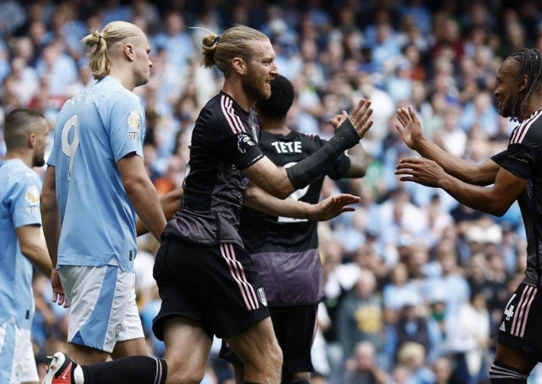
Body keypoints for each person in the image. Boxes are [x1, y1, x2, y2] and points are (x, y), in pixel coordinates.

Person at [44, 24, 373, 384]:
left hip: (173, 251)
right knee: (268, 360)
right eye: (267, 61)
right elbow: (278, 184)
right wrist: (344, 138)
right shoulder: (221, 115)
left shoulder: (243, 118)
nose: (275, 69)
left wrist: (310, 211)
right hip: (210, 245)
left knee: (181, 372)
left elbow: (246, 193)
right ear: (239, 65)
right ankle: (72, 374)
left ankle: (79, 377)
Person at [394, 48, 542, 384]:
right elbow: (479, 173)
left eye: (500, 81)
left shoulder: (528, 131)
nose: (495, 90)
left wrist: (441, 180)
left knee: (506, 369)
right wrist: (421, 143)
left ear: (522, 84)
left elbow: (495, 202)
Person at [219, 74, 367, 384]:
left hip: (254, 269)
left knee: (246, 367)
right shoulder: (314, 145)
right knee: (297, 369)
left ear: (255, 106)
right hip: (303, 272)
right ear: (291, 106)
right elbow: (360, 166)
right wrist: (350, 137)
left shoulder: (248, 147)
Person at [39, 21, 167, 367]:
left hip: (79, 254)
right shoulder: (124, 102)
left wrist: (57, 262)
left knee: (141, 366)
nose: (151, 61)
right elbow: (136, 182)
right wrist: (168, 238)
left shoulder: (70, 105)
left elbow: (48, 196)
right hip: (104, 252)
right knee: (84, 361)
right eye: (148, 52)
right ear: (129, 51)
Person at [0, 109, 54, 384]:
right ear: (33, 139)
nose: (48, 142)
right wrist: (63, 279)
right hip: (6, 311)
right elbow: (31, 246)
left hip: (14, 313)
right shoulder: (24, 180)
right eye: (46, 136)